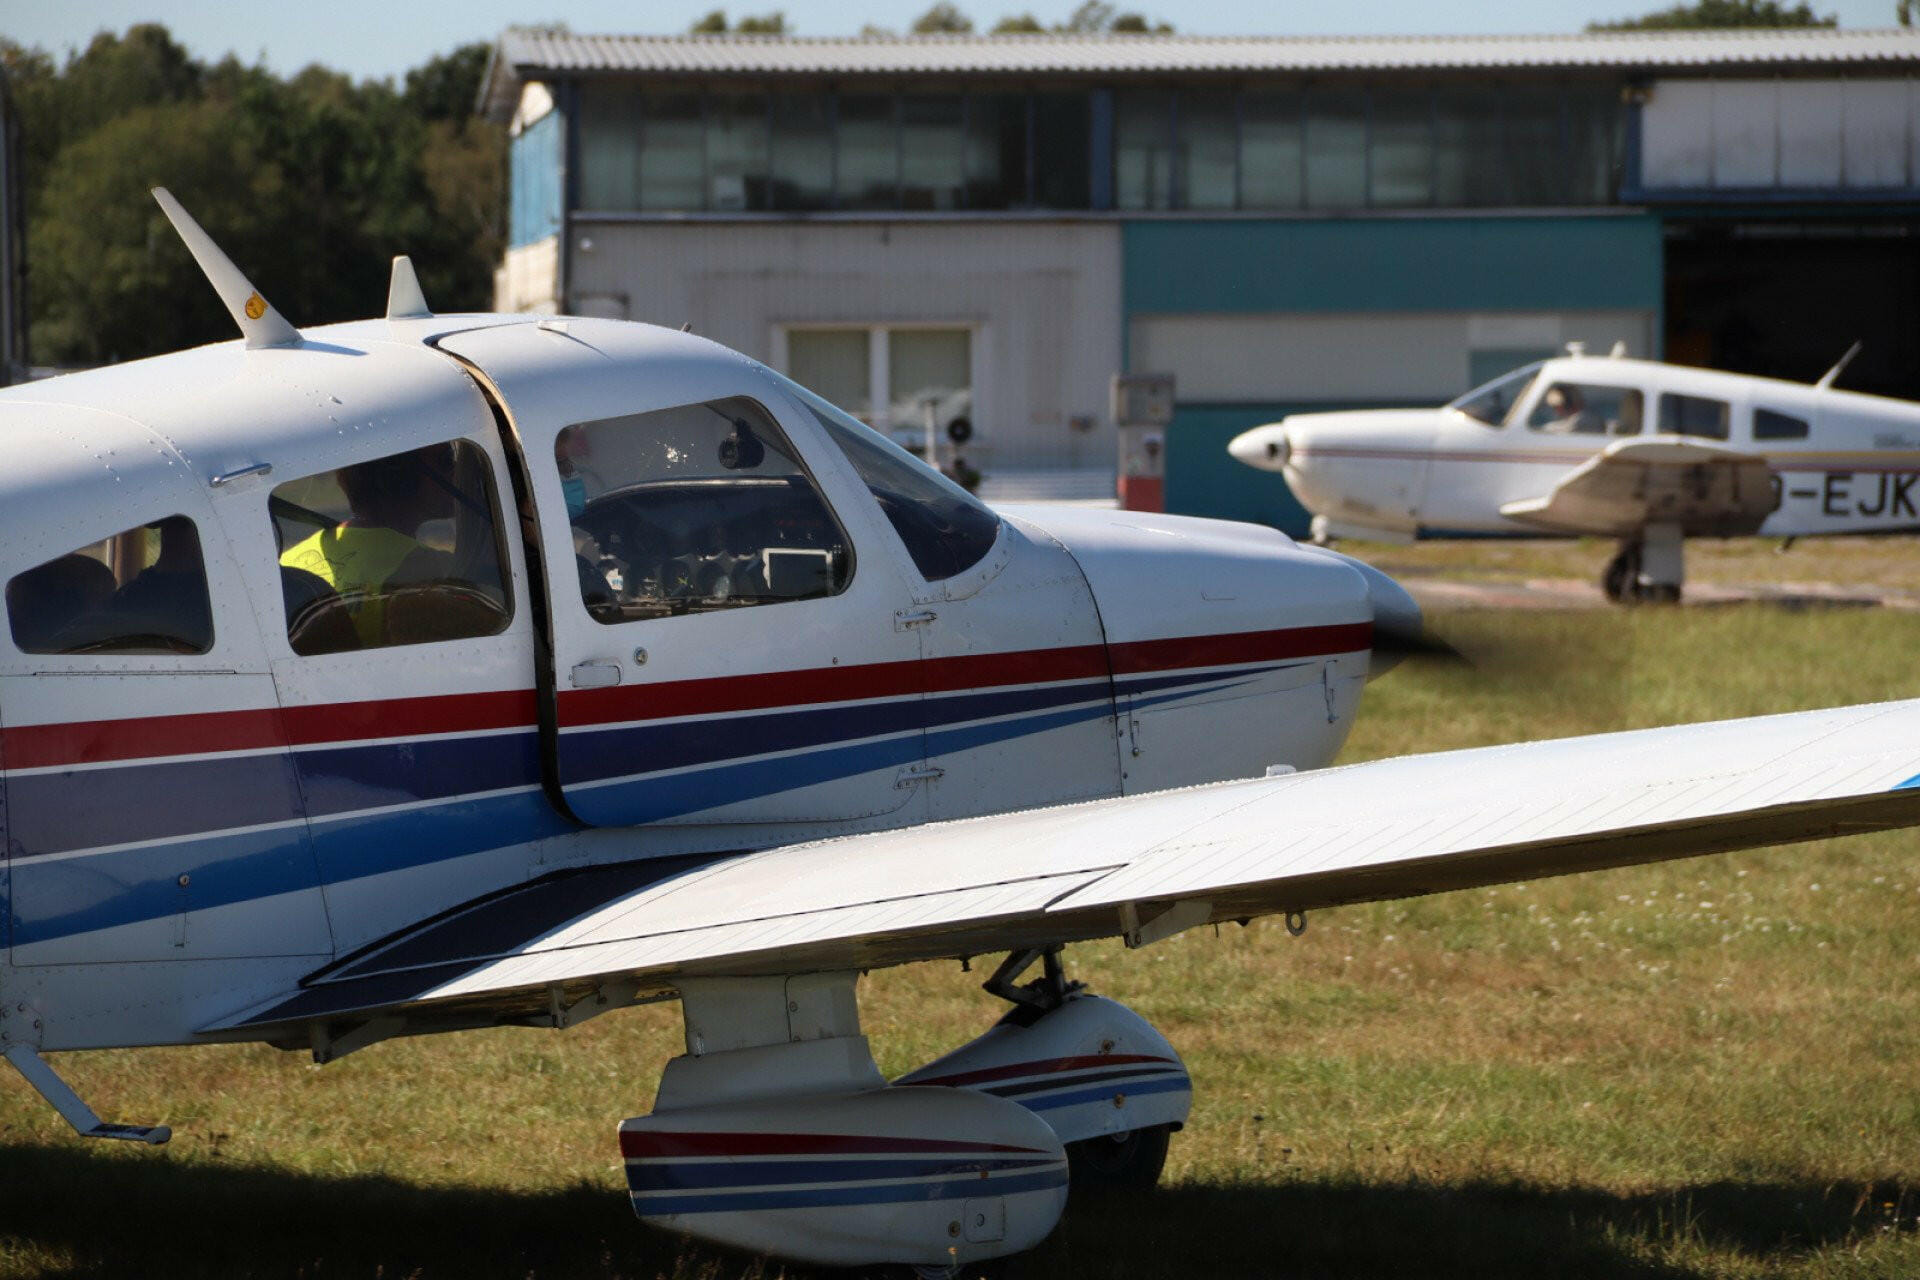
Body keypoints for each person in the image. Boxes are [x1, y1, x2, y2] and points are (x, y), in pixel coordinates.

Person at [279, 445, 458, 648]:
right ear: (402, 478)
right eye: (446, 461)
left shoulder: (290, 559)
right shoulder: (431, 568)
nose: (458, 471)